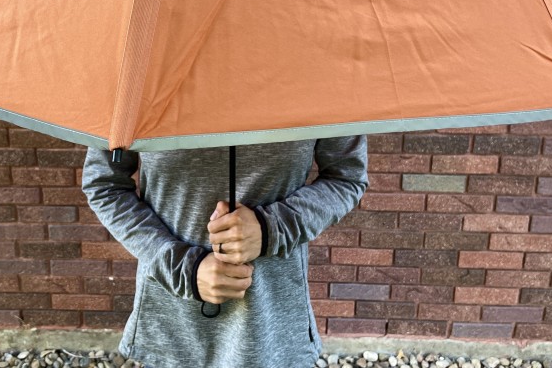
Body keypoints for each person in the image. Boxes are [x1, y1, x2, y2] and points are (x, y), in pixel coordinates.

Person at [81, 135, 370, 368]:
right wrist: (184, 268)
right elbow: (105, 184)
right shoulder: (136, 78)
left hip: (272, 320)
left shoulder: (322, 74)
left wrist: (271, 228)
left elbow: (346, 177)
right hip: (173, 319)